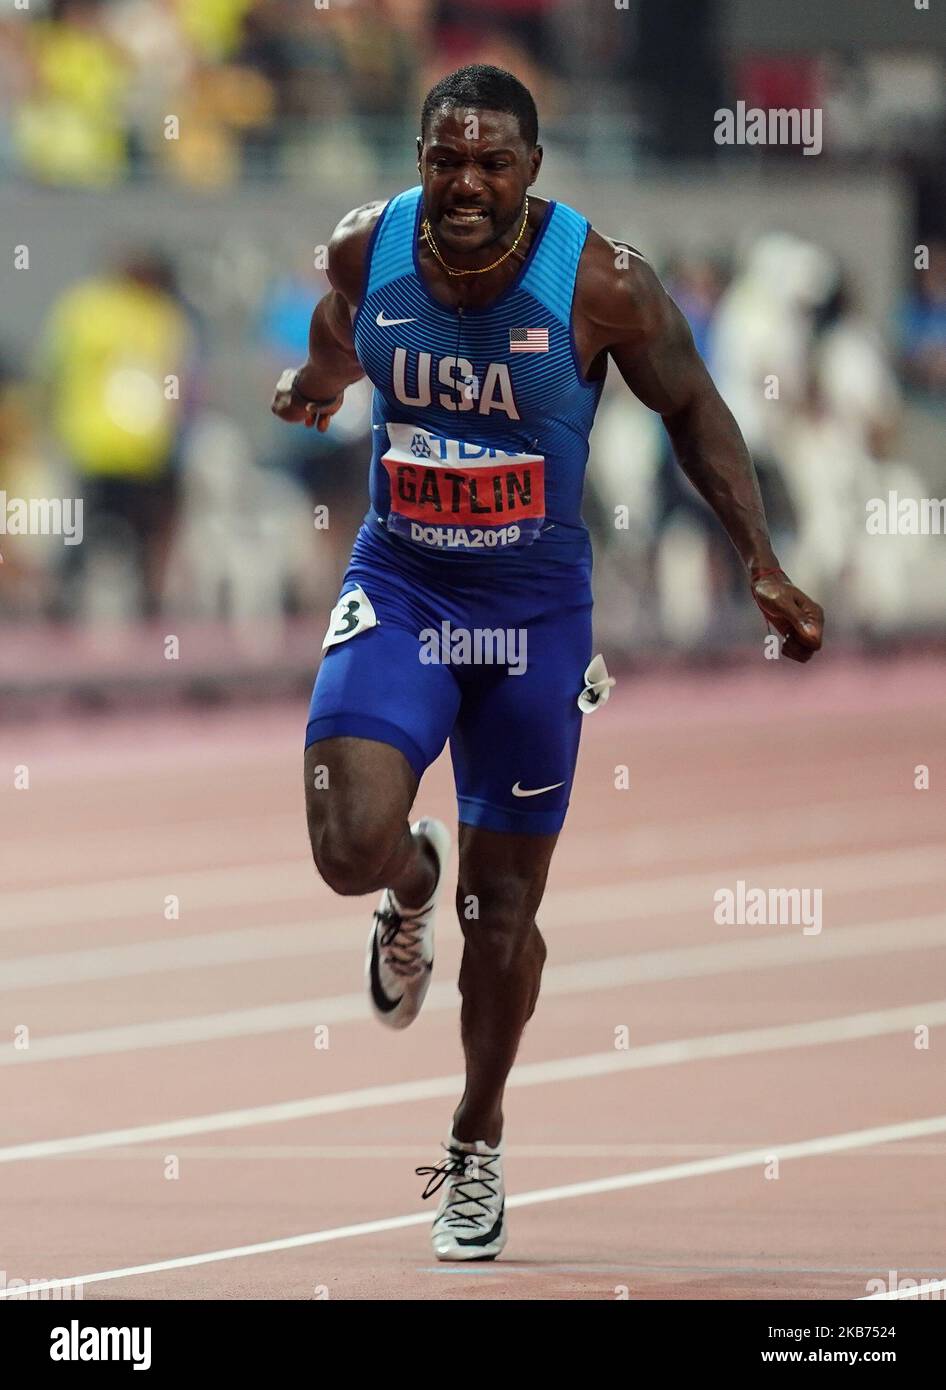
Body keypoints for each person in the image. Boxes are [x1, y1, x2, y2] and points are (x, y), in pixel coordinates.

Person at [271, 64, 824, 1261]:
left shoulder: (604, 282)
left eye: (492, 164)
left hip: (531, 618)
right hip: (404, 585)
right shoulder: (369, 248)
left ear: (532, 171)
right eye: (443, 160)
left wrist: (758, 559)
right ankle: (403, 883)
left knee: (506, 913)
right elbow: (340, 327)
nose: (464, 184)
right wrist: (318, 385)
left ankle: (475, 1137)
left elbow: (694, 409)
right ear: (418, 158)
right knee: (344, 845)